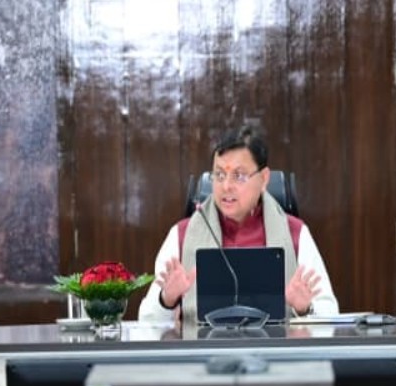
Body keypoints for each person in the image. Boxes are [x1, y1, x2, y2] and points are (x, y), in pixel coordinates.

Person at [138, 126, 337, 325]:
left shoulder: (295, 234)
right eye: (219, 175)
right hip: (204, 354)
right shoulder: (182, 235)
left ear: (264, 178)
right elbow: (147, 322)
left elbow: (329, 316)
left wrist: (305, 309)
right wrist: (167, 300)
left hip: (274, 354)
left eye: (239, 176)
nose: (226, 187)